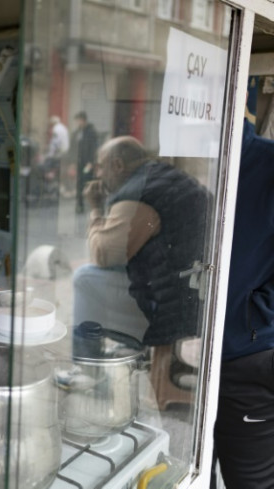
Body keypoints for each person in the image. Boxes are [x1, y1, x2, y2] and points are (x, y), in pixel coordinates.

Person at [72, 135, 209, 346]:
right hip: (188, 294)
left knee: (84, 277)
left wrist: (96, 208)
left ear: (117, 165)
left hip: (167, 308)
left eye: (100, 167)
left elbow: (104, 256)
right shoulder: (163, 176)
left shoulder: (138, 195)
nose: (97, 174)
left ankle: (86, 365)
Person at [213, 117, 274, 488]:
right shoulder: (190, 160)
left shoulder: (266, 163)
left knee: (250, 482)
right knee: (187, 469)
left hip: (248, 356)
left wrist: (257, 312)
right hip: (195, 351)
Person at [72, 111, 98, 213]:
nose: (77, 123)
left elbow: (93, 148)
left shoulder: (91, 132)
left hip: (87, 163)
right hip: (79, 162)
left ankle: (92, 203)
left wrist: (91, 161)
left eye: (78, 120)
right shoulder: (77, 132)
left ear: (83, 120)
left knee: (87, 181)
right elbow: (73, 147)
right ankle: (80, 204)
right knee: (79, 182)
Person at [39, 115, 70, 201]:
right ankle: (59, 189)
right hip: (64, 153)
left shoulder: (56, 129)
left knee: (46, 169)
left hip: (57, 155)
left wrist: (49, 154)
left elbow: (55, 143)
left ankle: (51, 190)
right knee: (58, 173)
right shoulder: (63, 128)